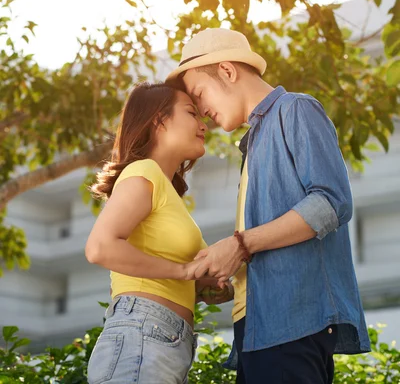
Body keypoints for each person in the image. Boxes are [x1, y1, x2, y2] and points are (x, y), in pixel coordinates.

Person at [166, 27, 371, 384]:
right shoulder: (254, 144)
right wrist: (226, 275)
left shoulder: (295, 109)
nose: (201, 112)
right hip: (257, 327)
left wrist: (240, 245)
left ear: (227, 71)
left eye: (199, 93)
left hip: (292, 322)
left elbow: (330, 203)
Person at [85, 82, 233, 384]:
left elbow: (171, 273)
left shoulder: (168, 193)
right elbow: (100, 247)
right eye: (191, 113)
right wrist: (182, 270)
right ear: (159, 120)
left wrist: (205, 285)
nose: (203, 124)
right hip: (142, 333)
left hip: (162, 340)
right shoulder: (144, 172)